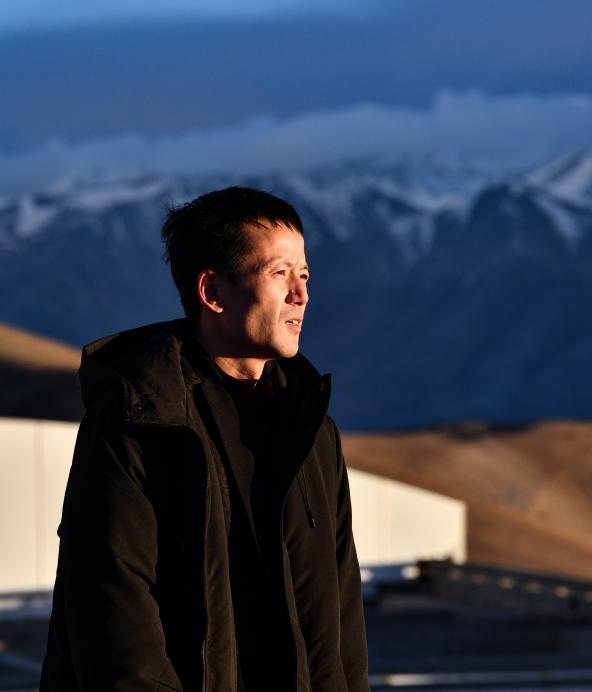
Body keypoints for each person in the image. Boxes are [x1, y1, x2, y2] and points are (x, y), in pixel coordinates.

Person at [40, 186, 370, 691]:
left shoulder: (314, 431)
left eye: (304, 274)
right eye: (279, 273)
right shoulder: (138, 424)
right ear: (212, 291)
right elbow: (114, 621)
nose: (301, 295)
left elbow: (343, 622)